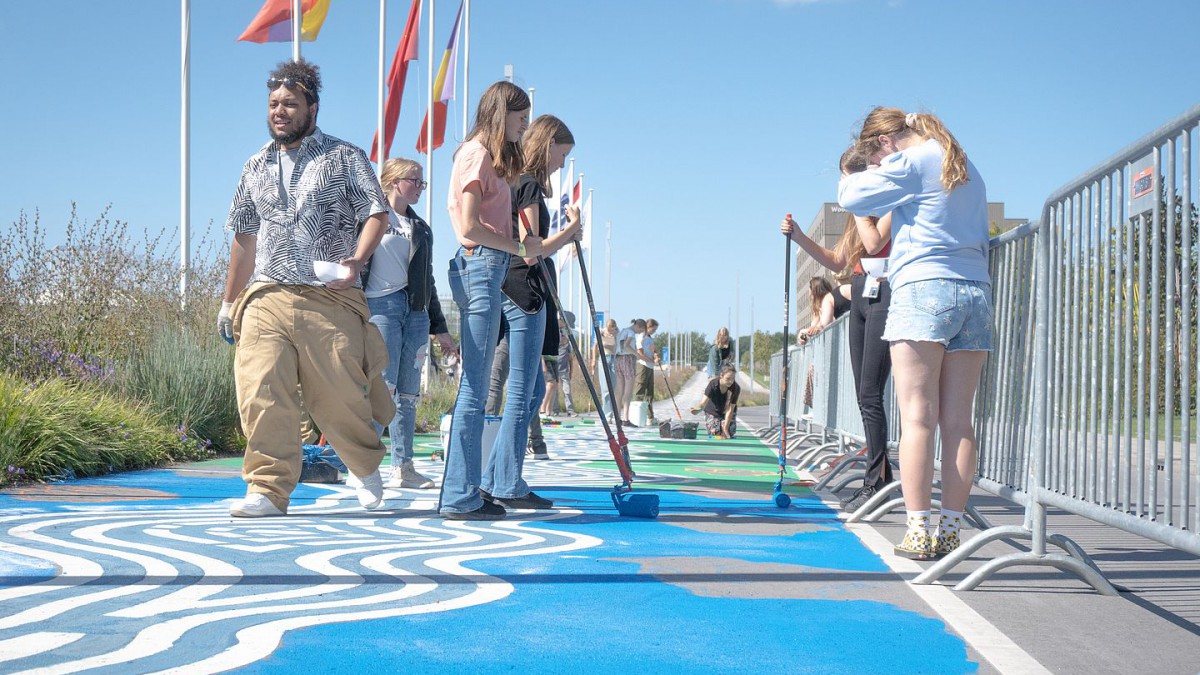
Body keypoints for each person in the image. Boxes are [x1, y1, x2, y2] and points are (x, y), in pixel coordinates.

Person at [216, 59, 395, 517]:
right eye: (274, 103)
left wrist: (357, 259)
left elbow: (376, 213)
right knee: (260, 390)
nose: (280, 111)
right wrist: (228, 301)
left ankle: (363, 465)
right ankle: (267, 490)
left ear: (312, 107)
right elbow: (243, 238)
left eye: (290, 103)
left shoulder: (344, 156)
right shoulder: (254, 165)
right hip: (266, 295)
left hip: (328, 294)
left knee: (338, 395)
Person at [839, 108, 992, 560]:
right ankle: (949, 531)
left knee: (917, 418)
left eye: (876, 152)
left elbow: (852, 197)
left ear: (884, 143)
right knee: (959, 422)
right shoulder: (962, 163)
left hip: (924, 288)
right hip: (975, 293)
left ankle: (919, 531)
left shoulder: (912, 160)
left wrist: (855, 168)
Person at [439, 81, 542, 521]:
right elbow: (468, 227)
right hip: (481, 266)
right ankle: (459, 495)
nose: (525, 125)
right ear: (504, 113)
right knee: (475, 388)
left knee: (478, 387)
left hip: (488, 268)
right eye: (521, 118)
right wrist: (520, 247)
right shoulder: (476, 154)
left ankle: (463, 491)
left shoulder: (487, 155)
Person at [782, 145, 895, 513]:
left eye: (848, 177)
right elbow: (837, 261)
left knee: (871, 392)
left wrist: (858, 199)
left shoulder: (891, 202)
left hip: (887, 293)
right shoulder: (854, 218)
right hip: (863, 291)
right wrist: (799, 237)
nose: (842, 184)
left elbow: (878, 242)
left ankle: (876, 479)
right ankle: (880, 474)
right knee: (865, 395)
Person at [484, 114, 582, 507]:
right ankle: (506, 481)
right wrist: (570, 233)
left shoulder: (518, 182)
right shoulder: (526, 185)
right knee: (524, 387)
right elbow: (531, 249)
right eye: (562, 154)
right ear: (548, 146)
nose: (561, 163)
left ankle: (497, 475)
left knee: (534, 387)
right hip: (524, 290)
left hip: (516, 287)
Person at [363, 157, 458, 490]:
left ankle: (403, 467)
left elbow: (427, 280)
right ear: (393, 181)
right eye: (414, 180)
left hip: (415, 311)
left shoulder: (421, 228)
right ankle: (364, 464)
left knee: (408, 391)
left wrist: (441, 327)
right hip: (381, 307)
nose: (419, 187)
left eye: (422, 182)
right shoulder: (371, 217)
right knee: (383, 386)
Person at [691, 365, 740, 438]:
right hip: (712, 412)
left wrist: (725, 429)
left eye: (733, 379)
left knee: (730, 431)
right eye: (728, 378)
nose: (731, 381)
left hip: (726, 412)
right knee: (715, 432)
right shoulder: (712, 384)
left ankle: (724, 425)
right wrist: (697, 410)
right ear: (721, 375)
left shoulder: (736, 388)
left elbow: (730, 410)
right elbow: (702, 403)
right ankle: (715, 423)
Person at [798, 276, 851, 343]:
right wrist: (804, 334)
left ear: (814, 293)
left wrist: (804, 331)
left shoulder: (829, 303)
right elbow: (814, 328)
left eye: (811, 295)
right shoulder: (818, 310)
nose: (811, 299)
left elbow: (823, 326)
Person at [614, 319, 645, 425]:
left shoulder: (622, 331)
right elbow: (627, 345)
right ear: (639, 327)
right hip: (628, 359)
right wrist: (637, 354)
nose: (638, 333)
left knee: (619, 391)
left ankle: (617, 417)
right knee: (628, 391)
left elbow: (618, 345)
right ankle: (626, 419)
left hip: (618, 359)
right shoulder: (631, 332)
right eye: (640, 331)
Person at [633, 319, 660, 424]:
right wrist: (651, 360)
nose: (654, 331)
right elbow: (640, 354)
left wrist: (656, 355)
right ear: (648, 327)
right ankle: (636, 416)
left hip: (650, 367)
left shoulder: (650, 338)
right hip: (643, 366)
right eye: (653, 329)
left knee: (649, 393)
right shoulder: (641, 337)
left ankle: (650, 417)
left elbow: (653, 350)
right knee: (640, 390)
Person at [592, 318, 619, 420]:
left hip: (613, 359)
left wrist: (615, 335)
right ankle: (607, 414)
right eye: (609, 330)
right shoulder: (602, 332)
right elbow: (594, 346)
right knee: (606, 389)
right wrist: (594, 359)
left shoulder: (617, 333)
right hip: (603, 358)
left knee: (613, 387)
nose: (610, 332)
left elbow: (618, 347)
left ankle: (612, 412)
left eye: (612, 329)